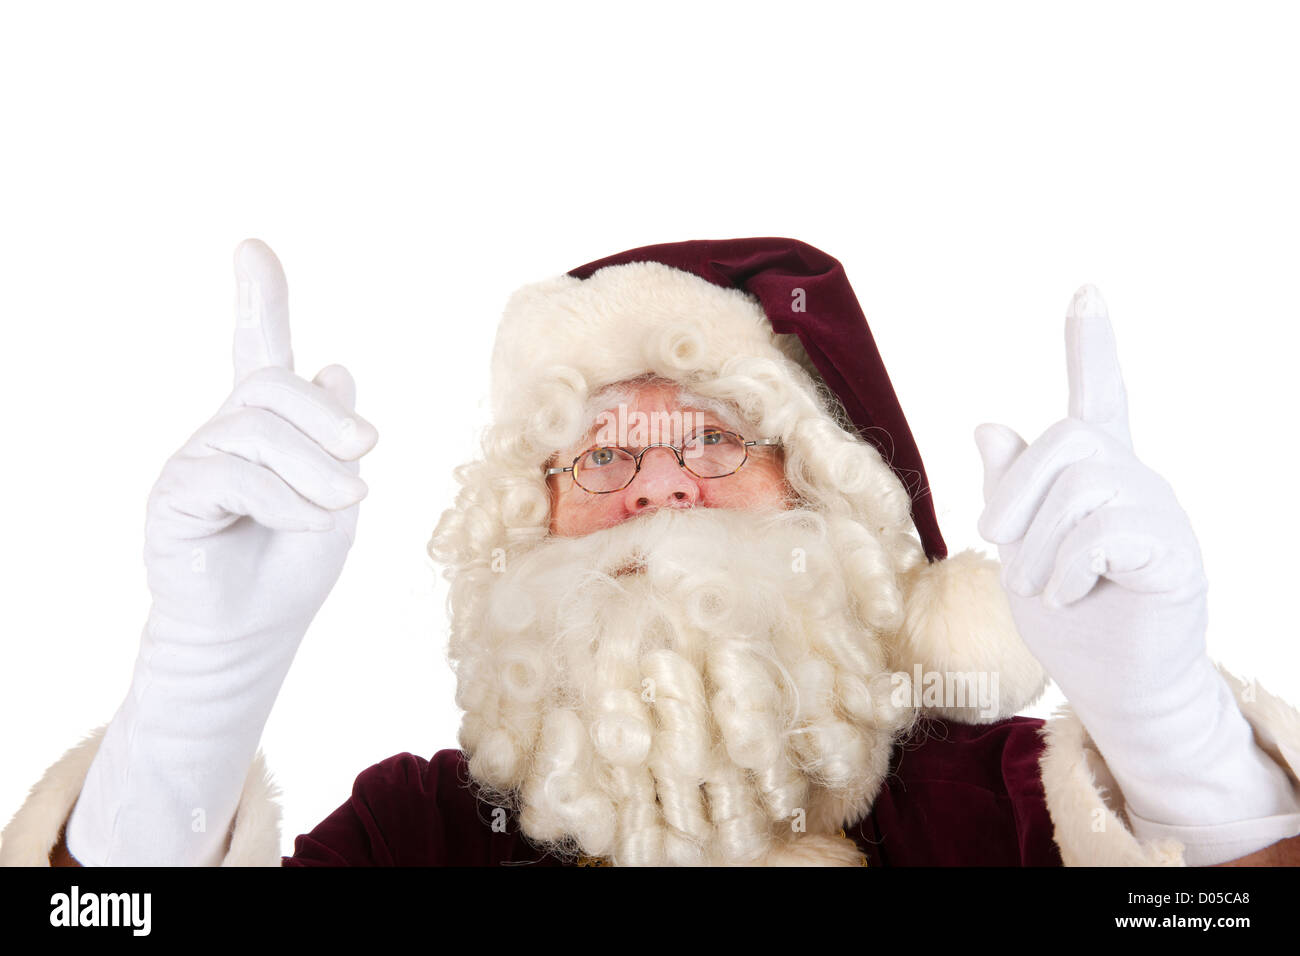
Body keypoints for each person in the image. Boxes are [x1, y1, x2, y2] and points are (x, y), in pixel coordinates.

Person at [4, 237, 1300, 867]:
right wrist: (195, 692)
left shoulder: (1008, 811)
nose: (656, 490)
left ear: (833, 508)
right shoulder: (422, 841)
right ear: (531, 530)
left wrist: (1177, 746)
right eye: (597, 455)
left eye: (713, 438)